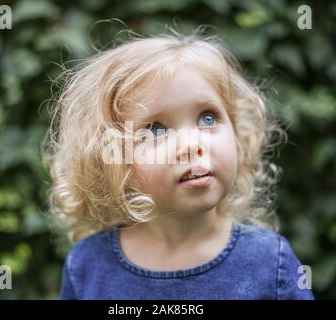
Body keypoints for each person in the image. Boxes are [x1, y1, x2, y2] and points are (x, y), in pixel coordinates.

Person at [43, 31, 314, 300]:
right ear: (110, 159)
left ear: (237, 134)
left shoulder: (269, 262)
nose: (191, 145)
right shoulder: (87, 266)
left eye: (208, 118)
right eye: (156, 129)